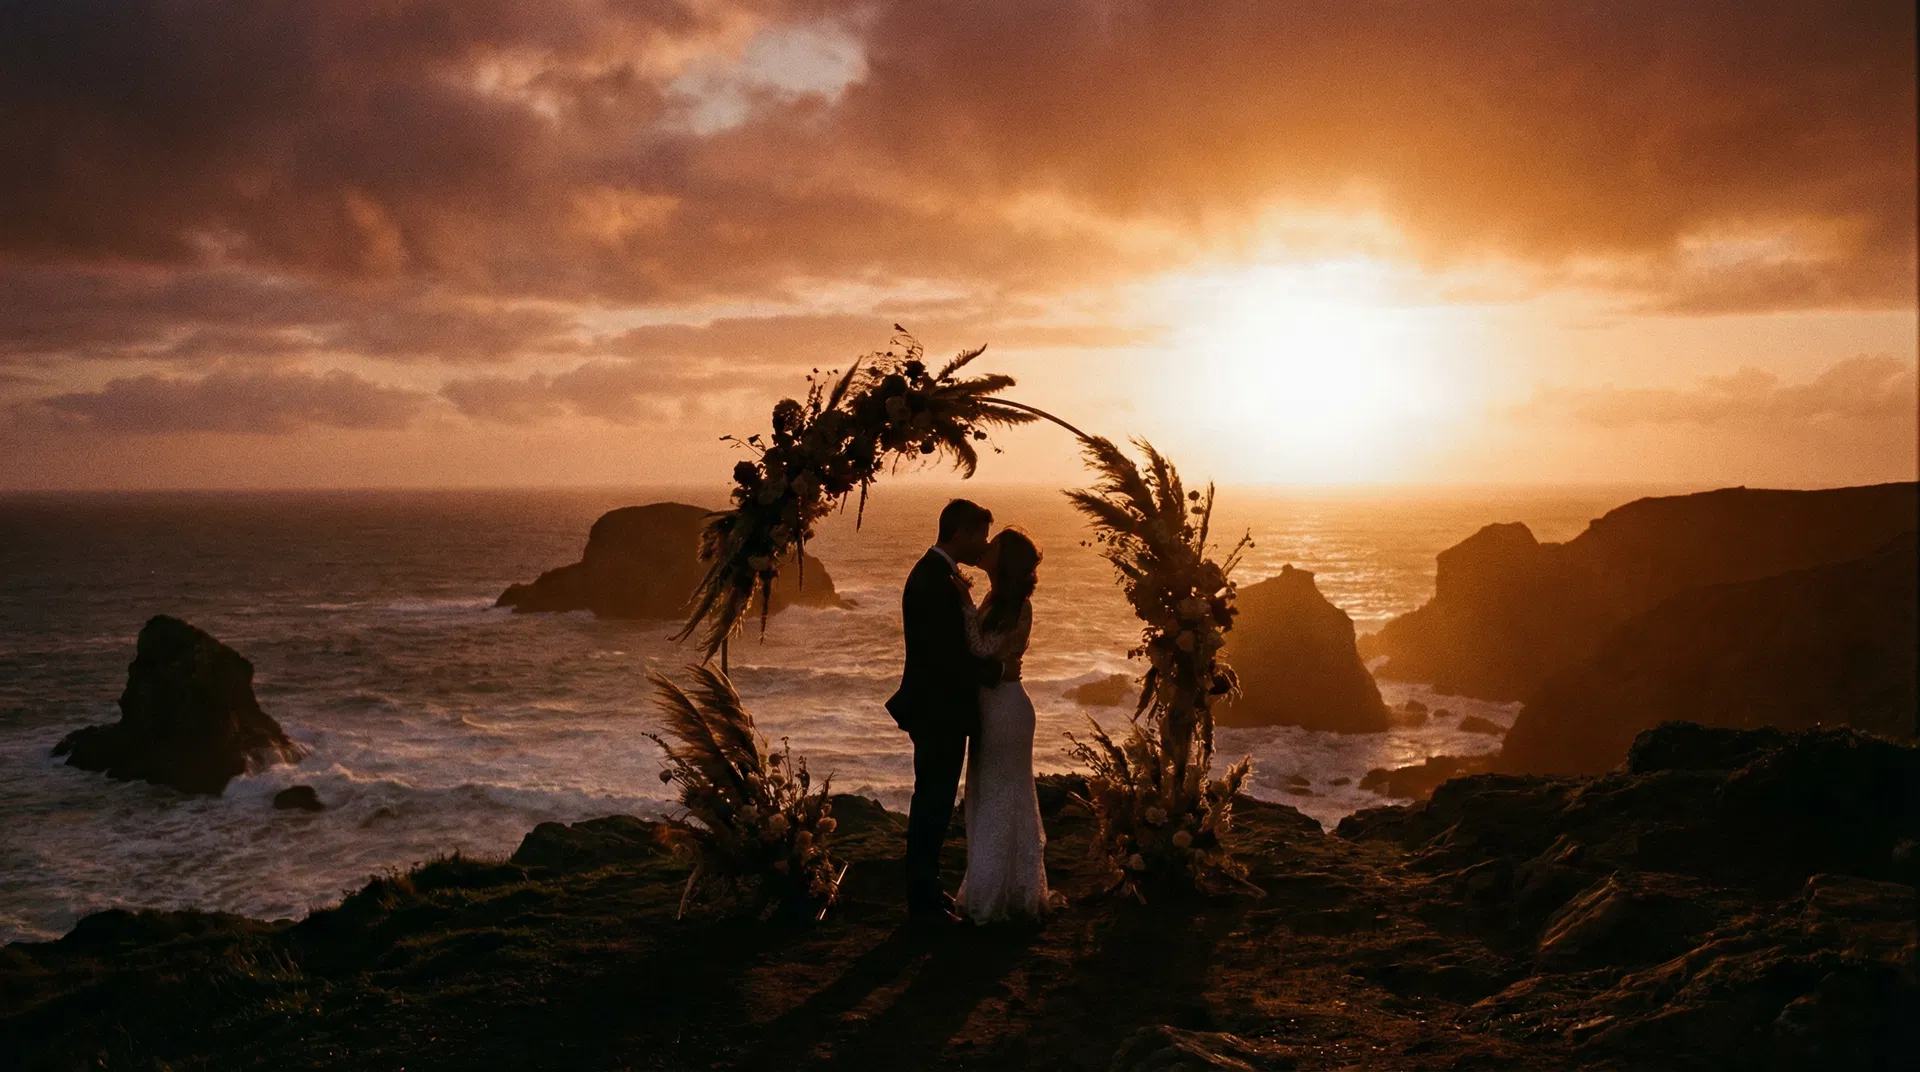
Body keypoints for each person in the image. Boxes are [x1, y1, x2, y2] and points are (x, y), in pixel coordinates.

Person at [886, 498, 1002, 925]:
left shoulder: (938, 573)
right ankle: (924, 903)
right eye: (980, 536)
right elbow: (946, 653)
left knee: (933, 801)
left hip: (938, 707)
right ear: (960, 533)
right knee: (932, 803)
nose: (983, 546)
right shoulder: (933, 579)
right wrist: (997, 669)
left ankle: (929, 893)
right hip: (938, 709)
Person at [954, 528, 1059, 922]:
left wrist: (964, 605)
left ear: (1005, 560)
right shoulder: (998, 599)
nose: (986, 546)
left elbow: (981, 649)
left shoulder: (1015, 605)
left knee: (1001, 796)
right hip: (995, 704)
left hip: (1006, 709)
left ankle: (996, 896)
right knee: (990, 793)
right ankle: (1003, 889)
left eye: (994, 544)